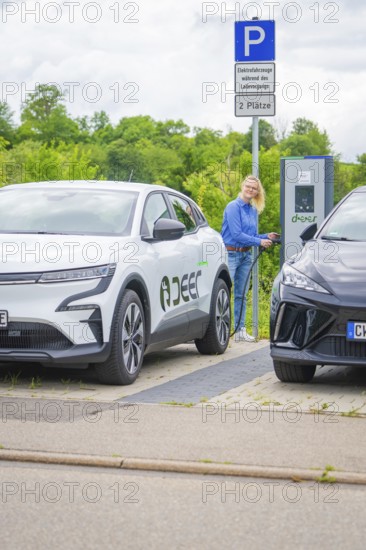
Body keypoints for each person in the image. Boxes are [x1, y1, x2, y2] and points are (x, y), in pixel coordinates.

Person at [221, 175, 278, 342]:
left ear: (257, 192)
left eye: (254, 188)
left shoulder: (252, 210)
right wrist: (259, 241)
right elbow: (237, 234)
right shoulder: (233, 207)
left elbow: (250, 236)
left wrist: (266, 236)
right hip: (230, 254)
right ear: (243, 186)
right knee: (223, 293)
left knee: (241, 294)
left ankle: (240, 331)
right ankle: (219, 330)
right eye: (248, 186)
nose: (250, 190)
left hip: (246, 255)